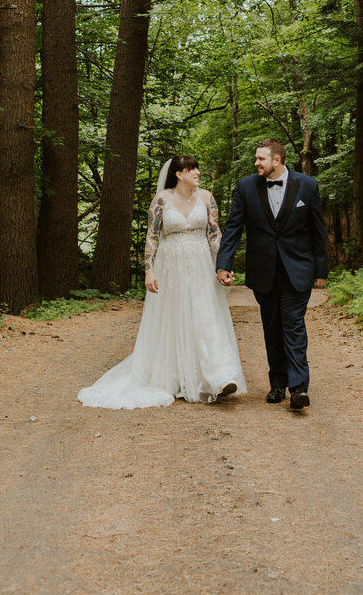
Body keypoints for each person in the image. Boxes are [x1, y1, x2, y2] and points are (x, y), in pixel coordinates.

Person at [77, 154, 246, 409]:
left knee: (206, 316)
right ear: (179, 174)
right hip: (171, 267)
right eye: (193, 169)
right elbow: (152, 237)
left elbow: (214, 234)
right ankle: (175, 375)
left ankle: (219, 376)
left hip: (201, 264)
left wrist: (223, 267)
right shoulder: (161, 200)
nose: (198, 172)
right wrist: (149, 271)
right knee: (175, 317)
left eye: (198, 168)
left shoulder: (207, 198)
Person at [215, 138, 327, 411]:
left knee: (293, 325)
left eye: (260, 159)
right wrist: (223, 264)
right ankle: (277, 383)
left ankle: (298, 387)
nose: (256, 163)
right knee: (272, 327)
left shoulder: (308, 185)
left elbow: (317, 230)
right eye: (256, 158)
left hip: (298, 269)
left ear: (277, 160)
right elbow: (233, 228)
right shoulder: (246, 187)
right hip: (264, 271)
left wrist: (321, 270)